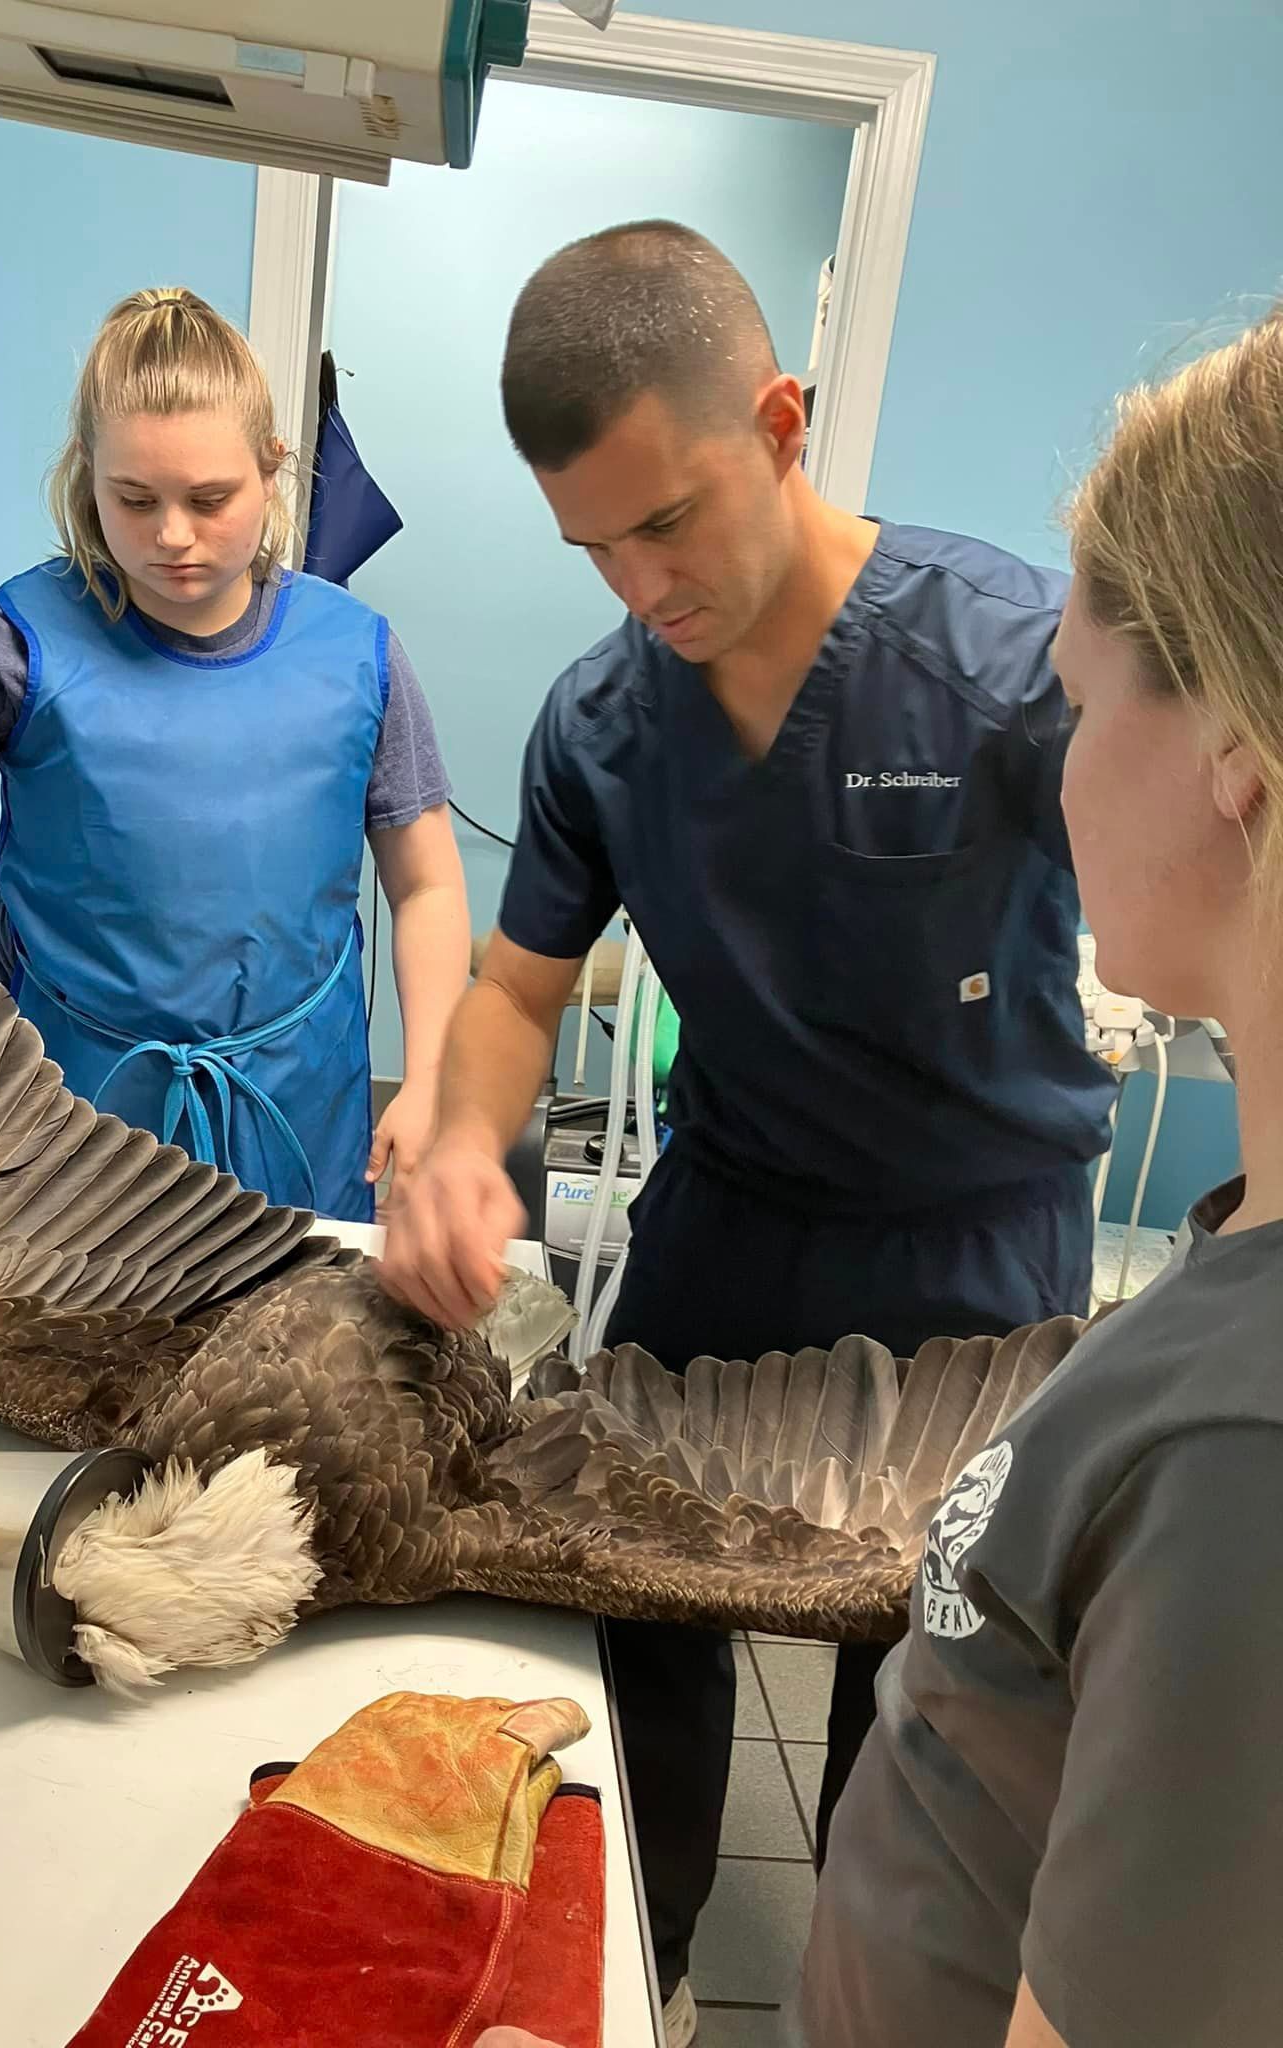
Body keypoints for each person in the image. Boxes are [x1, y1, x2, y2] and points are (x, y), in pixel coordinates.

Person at [382, 222, 1113, 2043]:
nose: (642, 583)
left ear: (779, 424)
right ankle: (655, 1941)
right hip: (733, 1217)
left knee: (929, 1681)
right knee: (631, 1593)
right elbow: (517, 991)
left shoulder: (1009, 663)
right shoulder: (600, 727)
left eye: (671, 518)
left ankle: (881, 1993)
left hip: (976, 1257)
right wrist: (463, 1137)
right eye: (593, 546)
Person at [802, 309, 1283, 2046]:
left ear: (1232, 734)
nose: (1059, 769)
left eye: (1078, 706)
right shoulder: (1236, 1274)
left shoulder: (1246, 1452)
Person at [0, 287, 468, 1221]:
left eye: (211, 500)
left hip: (298, 1114)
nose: (172, 535)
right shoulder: (11, 642)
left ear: (273, 467)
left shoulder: (358, 655)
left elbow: (428, 886)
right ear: (88, 474)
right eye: (135, 499)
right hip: (62, 1130)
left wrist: (434, 1078)